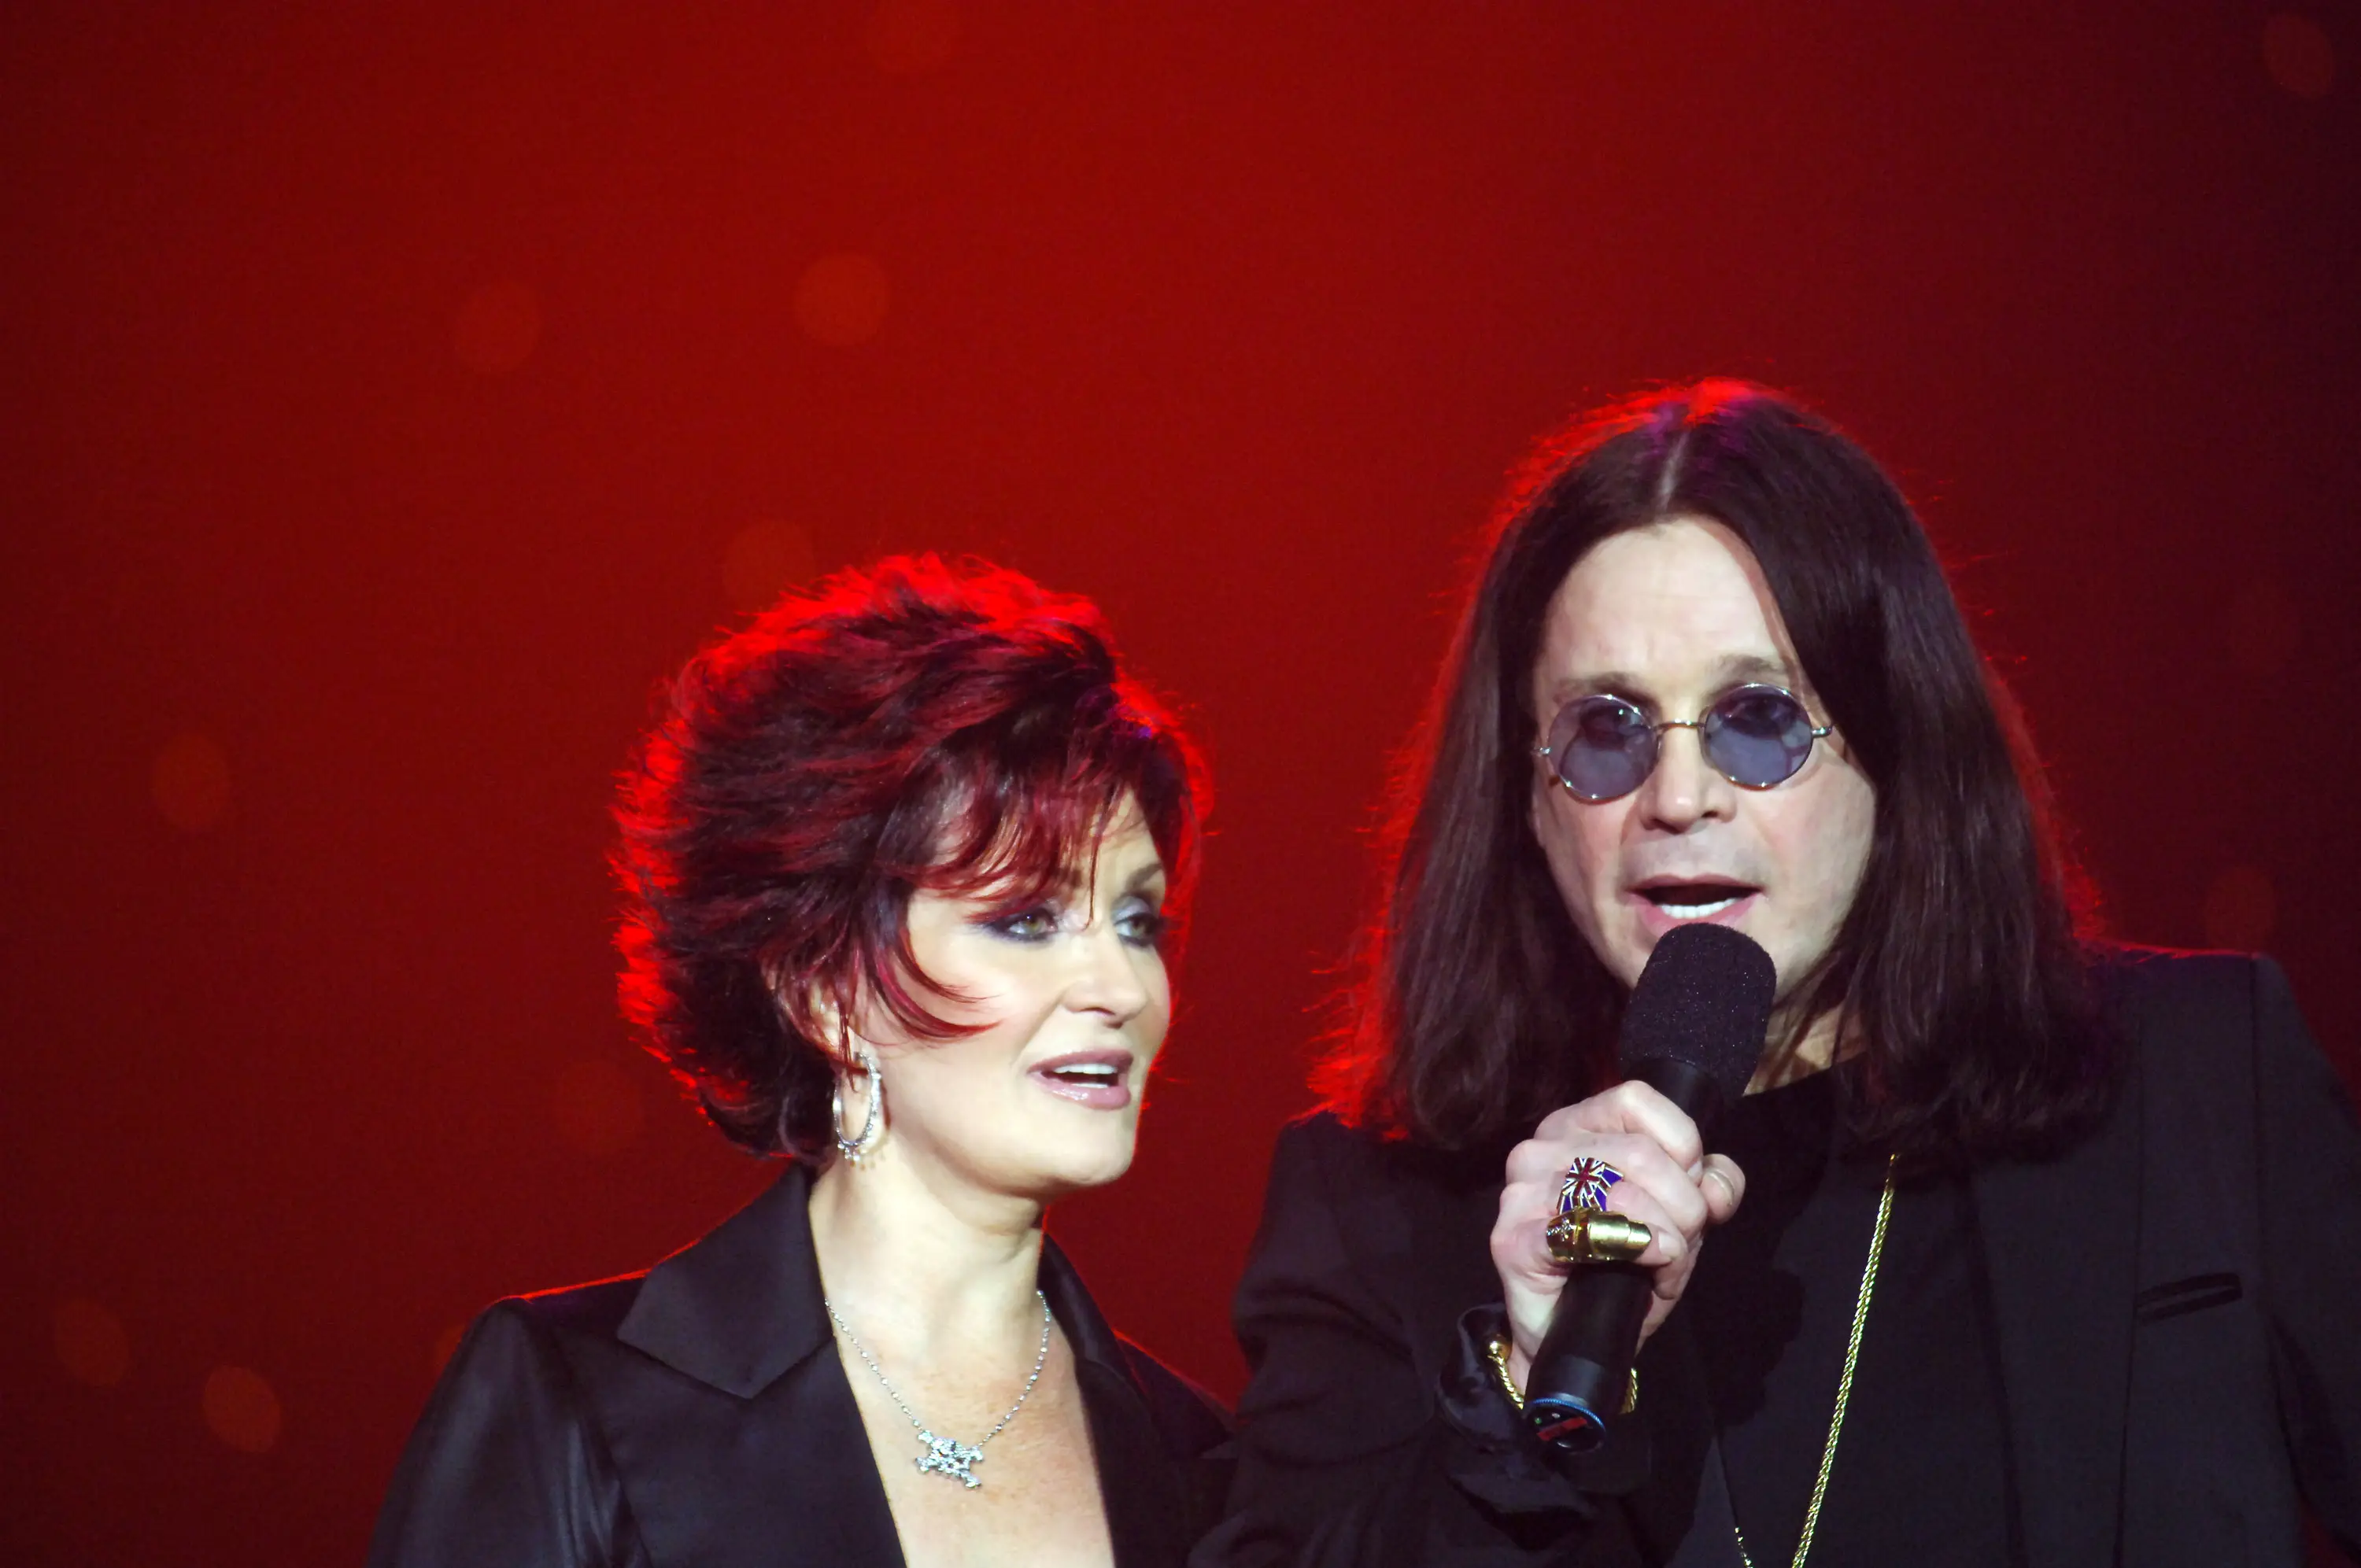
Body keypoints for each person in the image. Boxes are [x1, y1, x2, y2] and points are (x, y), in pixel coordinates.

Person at [1200, 382, 2361, 1566]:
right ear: (1527, 801)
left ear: (1898, 753)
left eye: (1760, 720)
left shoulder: (2201, 1085)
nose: (1680, 797)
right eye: (1607, 732)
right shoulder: (1379, 1214)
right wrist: (1520, 1375)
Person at [370, 555, 1229, 1568]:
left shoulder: (1206, 1468)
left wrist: (1483, 1349)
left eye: (1136, 921)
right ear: (823, 986)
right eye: (1027, 919)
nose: (1122, 988)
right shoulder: (573, 1400)